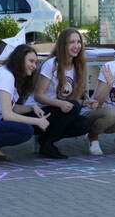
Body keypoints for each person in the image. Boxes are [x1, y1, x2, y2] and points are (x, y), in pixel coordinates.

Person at [25, 28, 92, 159]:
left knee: (84, 124)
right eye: (72, 42)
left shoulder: (77, 66)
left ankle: (45, 140)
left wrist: (85, 102)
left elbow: (68, 101)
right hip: (37, 112)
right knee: (74, 107)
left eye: (79, 42)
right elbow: (39, 95)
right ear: (63, 45)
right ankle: (48, 145)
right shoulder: (52, 64)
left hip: (55, 113)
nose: (76, 46)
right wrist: (61, 104)